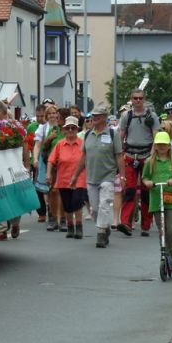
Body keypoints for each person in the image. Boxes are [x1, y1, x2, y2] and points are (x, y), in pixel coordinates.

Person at [71, 102, 124, 248]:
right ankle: (104, 226)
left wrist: (123, 176)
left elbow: (119, 156)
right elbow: (83, 157)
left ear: (105, 117)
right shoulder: (88, 134)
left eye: (97, 116)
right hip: (92, 177)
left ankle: (101, 233)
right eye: (93, 115)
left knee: (104, 204)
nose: (94, 118)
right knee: (94, 209)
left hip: (108, 176)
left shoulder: (113, 134)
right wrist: (75, 176)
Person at [142, 131, 172, 278]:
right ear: (155, 146)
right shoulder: (150, 161)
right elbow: (145, 178)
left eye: (164, 144)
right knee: (162, 231)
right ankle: (166, 255)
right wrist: (147, 183)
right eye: (159, 144)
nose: (161, 147)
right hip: (157, 199)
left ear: (169, 146)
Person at [118, 88, 161, 236]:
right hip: (130, 155)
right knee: (129, 191)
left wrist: (152, 154)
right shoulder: (127, 116)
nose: (138, 101)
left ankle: (146, 225)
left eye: (140, 98)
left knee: (146, 192)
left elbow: (156, 136)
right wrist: (119, 153)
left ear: (144, 99)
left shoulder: (152, 116)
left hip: (146, 156)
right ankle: (125, 222)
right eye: (135, 98)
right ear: (131, 99)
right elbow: (121, 135)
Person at [0, 100, 25, 240]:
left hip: (6, 167)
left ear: (0, 112)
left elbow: (24, 146)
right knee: (4, 197)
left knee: (6, 197)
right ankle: (6, 228)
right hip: (4, 168)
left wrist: (26, 165)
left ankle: (8, 227)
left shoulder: (11, 127)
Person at [47, 116, 87, 240]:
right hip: (63, 179)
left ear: (77, 129)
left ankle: (79, 227)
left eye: (73, 128)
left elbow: (89, 159)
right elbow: (51, 160)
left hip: (79, 179)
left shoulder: (82, 144)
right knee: (67, 205)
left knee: (76, 202)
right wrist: (48, 174)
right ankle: (70, 227)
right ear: (64, 129)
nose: (70, 130)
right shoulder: (60, 144)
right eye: (68, 128)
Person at [27, 104, 48, 222]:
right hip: (35, 161)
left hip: (47, 160)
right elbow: (28, 144)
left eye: (42, 116)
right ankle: (42, 212)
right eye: (38, 116)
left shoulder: (49, 126)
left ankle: (52, 209)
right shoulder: (31, 127)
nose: (40, 118)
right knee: (37, 187)